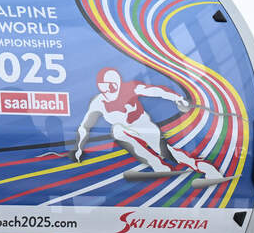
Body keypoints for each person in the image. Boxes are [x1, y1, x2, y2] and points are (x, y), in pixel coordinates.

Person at [74, 67, 223, 181]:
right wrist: (79, 148)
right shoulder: (99, 102)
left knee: (168, 153)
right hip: (126, 131)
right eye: (103, 87)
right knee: (117, 130)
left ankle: (207, 169)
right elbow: (84, 126)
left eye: (111, 87)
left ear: (117, 84)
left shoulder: (130, 89)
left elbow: (155, 91)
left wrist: (177, 98)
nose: (107, 91)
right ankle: (158, 165)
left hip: (144, 127)